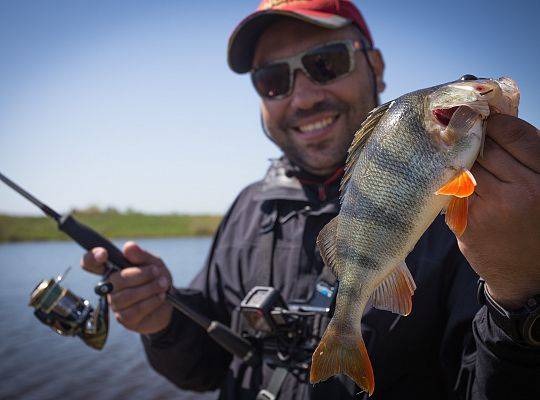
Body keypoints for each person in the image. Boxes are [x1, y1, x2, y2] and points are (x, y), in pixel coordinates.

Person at [81, 1, 540, 399]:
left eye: (326, 62)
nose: (301, 96)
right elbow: (204, 370)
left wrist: (522, 297)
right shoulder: (248, 209)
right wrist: (162, 322)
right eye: (273, 79)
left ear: (375, 67)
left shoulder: (485, 215)